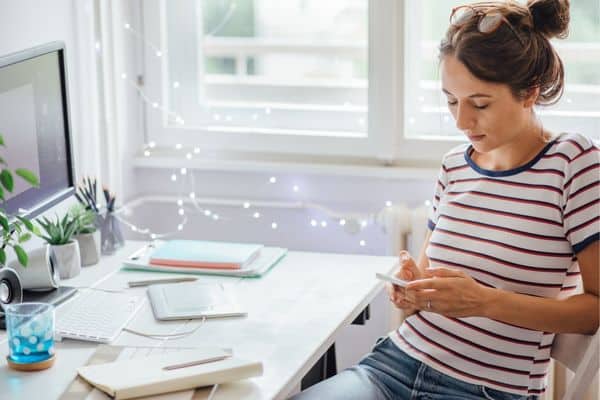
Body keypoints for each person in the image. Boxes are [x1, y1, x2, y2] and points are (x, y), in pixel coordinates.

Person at [290, 0, 599, 399]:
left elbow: (594, 309)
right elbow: (423, 288)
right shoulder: (455, 165)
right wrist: (409, 288)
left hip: (489, 390)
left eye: (480, 104)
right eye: (451, 101)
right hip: (392, 366)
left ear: (529, 93)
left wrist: (486, 302)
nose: (461, 121)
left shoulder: (574, 162)